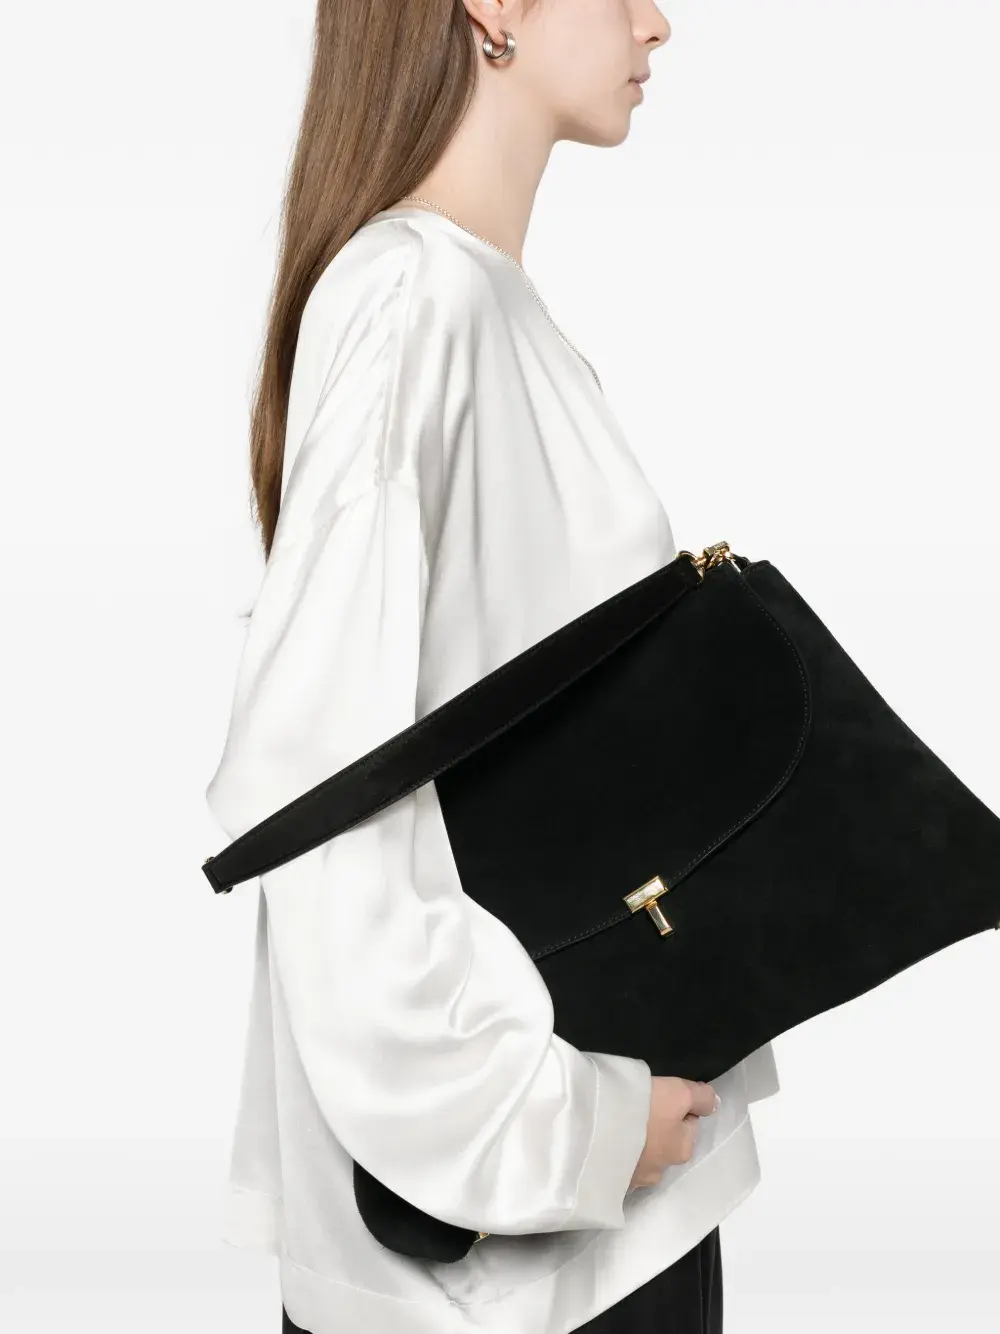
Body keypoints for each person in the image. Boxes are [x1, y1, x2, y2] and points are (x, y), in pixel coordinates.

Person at [204, 2, 781, 1331]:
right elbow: (319, 802)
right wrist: (565, 1126)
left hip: (594, 1216)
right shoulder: (415, 301)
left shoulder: (474, 302)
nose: (657, 22)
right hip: (509, 1262)